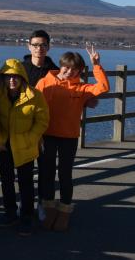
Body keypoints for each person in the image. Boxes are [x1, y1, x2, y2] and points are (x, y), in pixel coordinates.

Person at [36, 44, 109, 231]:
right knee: (47, 173)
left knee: (65, 174)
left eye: (74, 69)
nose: (69, 72)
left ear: (79, 71)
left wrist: (96, 65)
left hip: (69, 137)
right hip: (47, 135)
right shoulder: (46, 82)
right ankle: (49, 209)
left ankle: (65, 211)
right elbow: (34, 105)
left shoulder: (82, 88)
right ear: (61, 65)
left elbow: (103, 87)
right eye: (66, 67)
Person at [0, 58, 49, 236]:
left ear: (22, 77)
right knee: (6, 180)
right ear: (2, 78)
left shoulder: (34, 95)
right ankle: (10, 212)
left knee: (25, 182)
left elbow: (42, 121)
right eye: (8, 77)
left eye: (15, 76)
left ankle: (26, 216)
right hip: (5, 145)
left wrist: (30, 139)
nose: (11, 80)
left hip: (25, 145)